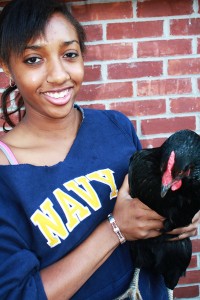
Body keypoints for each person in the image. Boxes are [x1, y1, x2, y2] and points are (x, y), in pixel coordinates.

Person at [0, 0, 199, 299]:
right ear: (6, 66)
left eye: (69, 54)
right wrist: (115, 229)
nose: (58, 75)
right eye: (33, 59)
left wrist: (180, 213)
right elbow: (19, 294)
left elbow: (152, 202)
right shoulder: (6, 174)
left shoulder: (115, 127)